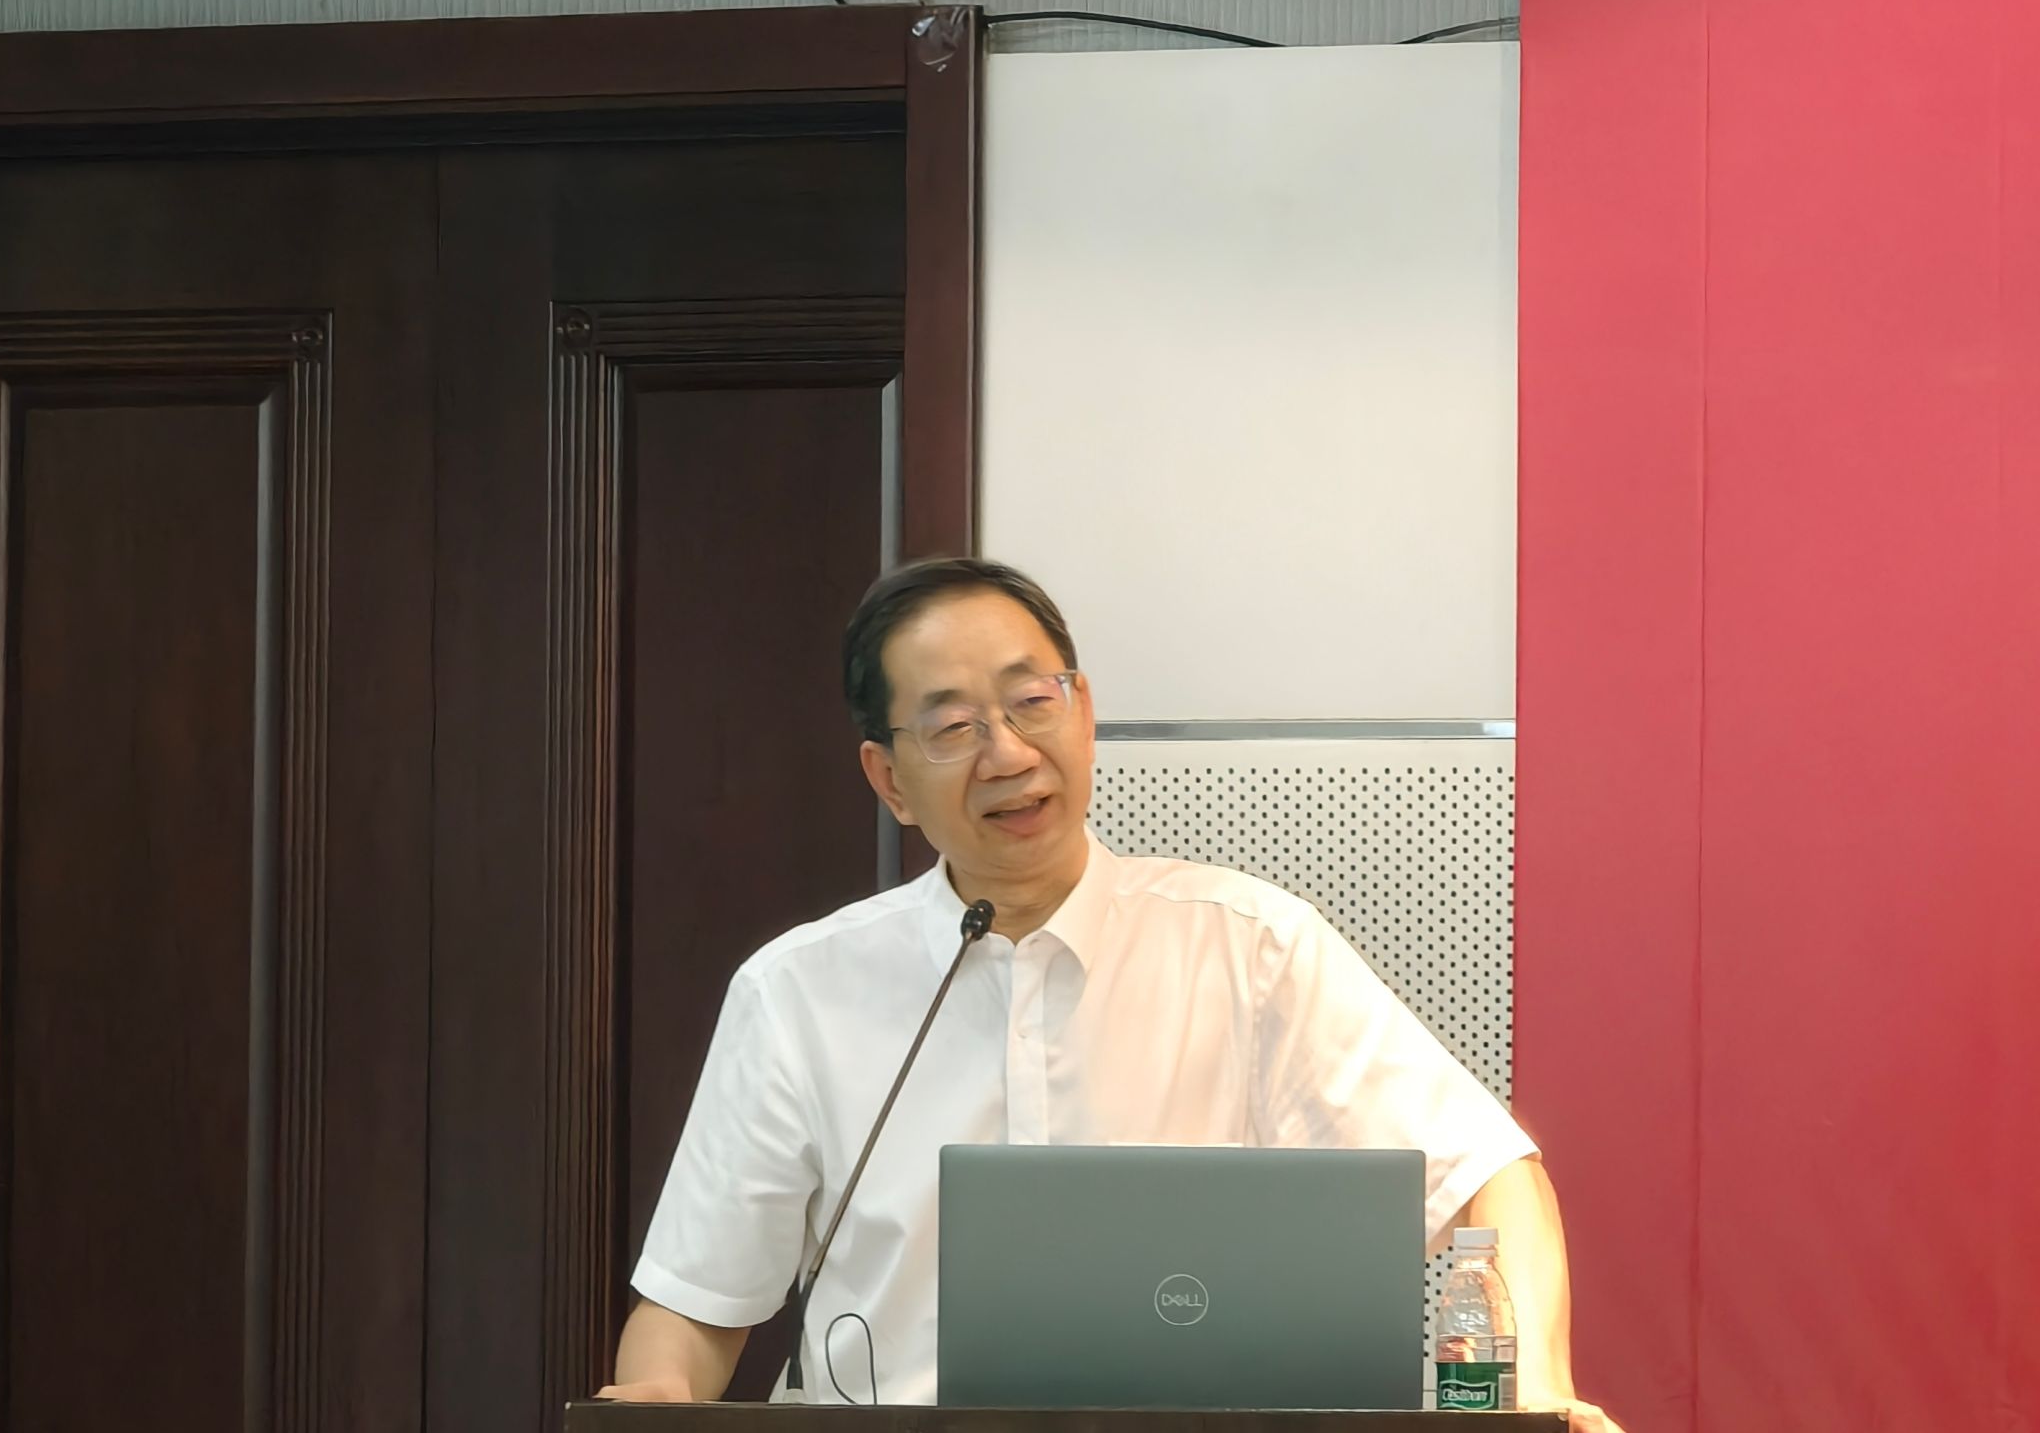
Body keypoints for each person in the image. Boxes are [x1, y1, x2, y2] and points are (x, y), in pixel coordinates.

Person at [600, 558, 1624, 1431]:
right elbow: (692, 1307)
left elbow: (1493, 1177)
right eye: (952, 725)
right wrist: (652, 1397)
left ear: (1083, 712)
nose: (1007, 753)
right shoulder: (798, 993)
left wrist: (1541, 1391)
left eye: (1030, 702)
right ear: (890, 779)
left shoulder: (1249, 950)